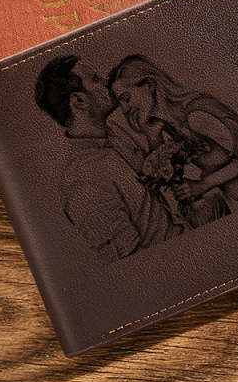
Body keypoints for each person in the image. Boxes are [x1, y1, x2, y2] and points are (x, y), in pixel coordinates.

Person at [108, 56, 238, 211]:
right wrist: (152, 137)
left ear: (150, 85)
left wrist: (202, 185)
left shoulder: (196, 115)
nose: (125, 109)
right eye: (120, 103)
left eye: (126, 98)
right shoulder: (171, 127)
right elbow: (163, 175)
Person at [34, 55, 184, 263]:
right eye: (96, 79)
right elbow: (132, 264)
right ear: (79, 101)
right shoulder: (82, 182)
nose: (107, 82)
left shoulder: (112, 133)